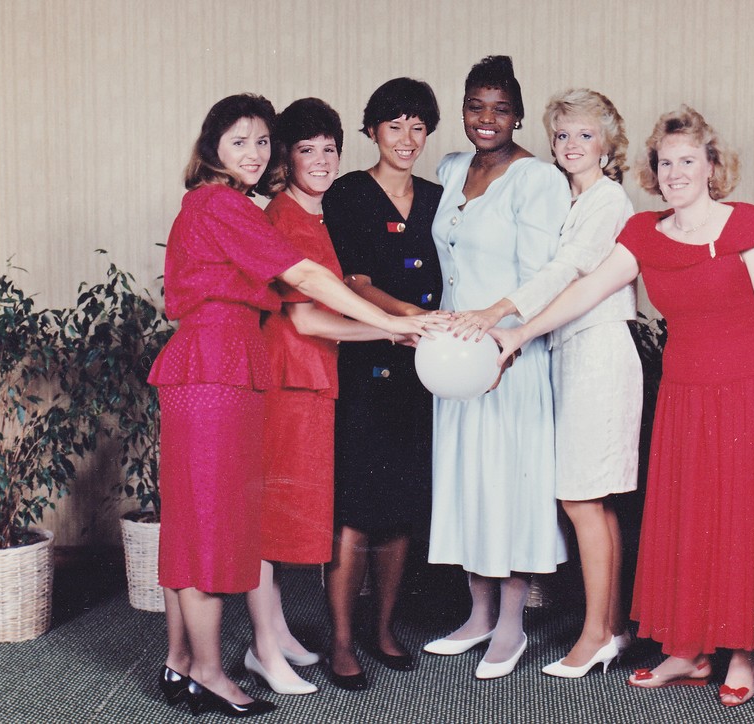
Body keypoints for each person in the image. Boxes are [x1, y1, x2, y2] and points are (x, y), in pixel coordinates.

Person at [492, 105, 754, 706]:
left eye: (688, 161)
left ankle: (740, 654)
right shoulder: (644, 233)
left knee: (738, 522)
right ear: (653, 171)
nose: (675, 173)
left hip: (748, 394)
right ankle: (688, 651)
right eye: (665, 163)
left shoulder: (746, 224)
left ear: (712, 166)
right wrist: (519, 333)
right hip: (684, 396)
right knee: (689, 522)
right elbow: (587, 290)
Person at [148, 94, 436, 717]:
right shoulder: (222, 205)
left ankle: (180, 661)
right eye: (239, 142)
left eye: (261, 142)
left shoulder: (219, 204)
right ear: (212, 149)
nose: (254, 154)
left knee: (193, 522)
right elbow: (307, 280)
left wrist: (388, 323)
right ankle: (207, 673)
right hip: (216, 368)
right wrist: (391, 323)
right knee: (211, 526)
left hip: (213, 363)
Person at [454, 88, 641, 677]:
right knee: (592, 500)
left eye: (585, 134)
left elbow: (565, 271)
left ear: (608, 144)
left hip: (599, 353)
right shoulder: (570, 197)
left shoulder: (608, 201)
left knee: (582, 499)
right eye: (561, 135)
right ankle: (613, 628)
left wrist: (502, 317)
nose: (571, 145)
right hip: (572, 352)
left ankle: (594, 638)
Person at [245, 97, 426, 697]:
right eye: (307, 150)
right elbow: (307, 320)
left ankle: (276, 635)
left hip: (317, 378)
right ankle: (263, 647)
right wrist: (392, 329)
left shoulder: (317, 214)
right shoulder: (285, 217)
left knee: (286, 518)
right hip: (293, 377)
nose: (321, 161)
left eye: (329, 149)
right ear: (286, 158)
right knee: (272, 521)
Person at [422, 55, 570, 680]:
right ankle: (478, 616)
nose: (487, 119)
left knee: (509, 486)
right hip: (453, 361)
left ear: (519, 115)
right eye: (476, 107)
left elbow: (545, 277)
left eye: (501, 109)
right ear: (462, 110)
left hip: (510, 356)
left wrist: (504, 338)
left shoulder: (538, 180)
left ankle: (511, 625)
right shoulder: (451, 168)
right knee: (466, 482)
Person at [321, 78, 443, 691]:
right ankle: (342, 641)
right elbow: (355, 282)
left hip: (425, 369)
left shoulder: (440, 197)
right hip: (365, 363)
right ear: (372, 130)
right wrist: (410, 318)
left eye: (418, 126)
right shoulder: (348, 193)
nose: (407, 138)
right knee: (355, 514)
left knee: (401, 509)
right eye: (395, 125)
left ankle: (384, 629)